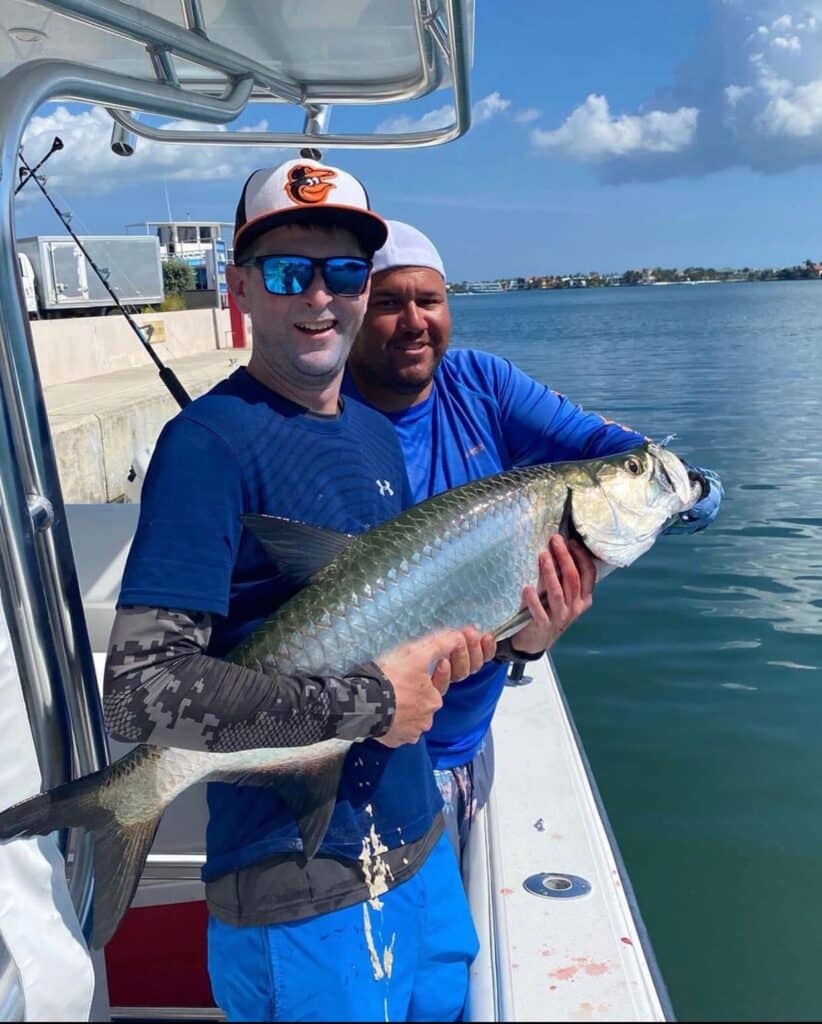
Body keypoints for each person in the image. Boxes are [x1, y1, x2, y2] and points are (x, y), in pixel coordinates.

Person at [101, 160, 556, 1023]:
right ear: (239, 288)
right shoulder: (206, 445)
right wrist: (370, 702)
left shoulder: (377, 437)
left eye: (345, 272)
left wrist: (516, 637)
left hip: (419, 853)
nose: (319, 296)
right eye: (287, 272)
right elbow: (142, 692)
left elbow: (404, 639)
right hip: (300, 891)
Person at [345, 220, 724, 860]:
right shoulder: (324, 419)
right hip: (357, 758)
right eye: (388, 302)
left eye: (429, 300)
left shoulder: (481, 383)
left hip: (459, 750)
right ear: (355, 310)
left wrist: (693, 491)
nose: (414, 322)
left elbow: (608, 448)